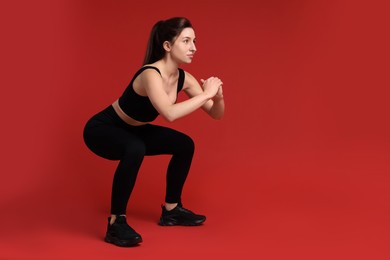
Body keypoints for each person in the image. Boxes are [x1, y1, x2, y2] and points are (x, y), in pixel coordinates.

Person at [83, 17, 225, 247]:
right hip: (103, 129)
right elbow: (169, 113)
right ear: (167, 46)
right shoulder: (150, 74)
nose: (194, 48)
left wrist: (217, 98)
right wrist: (205, 94)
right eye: (187, 41)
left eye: (195, 41)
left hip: (135, 130)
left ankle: (172, 210)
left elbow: (216, 114)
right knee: (135, 147)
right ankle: (116, 222)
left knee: (184, 144)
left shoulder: (184, 79)